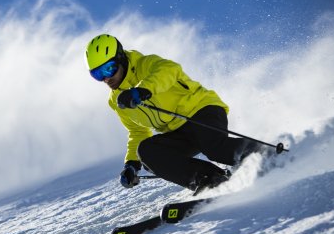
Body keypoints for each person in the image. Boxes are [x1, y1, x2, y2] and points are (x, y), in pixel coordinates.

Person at [85, 34, 259, 192]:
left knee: (215, 148)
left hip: (201, 110)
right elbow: (138, 131)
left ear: (120, 58)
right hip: (178, 132)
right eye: (97, 75)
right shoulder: (117, 101)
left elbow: (170, 70)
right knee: (147, 151)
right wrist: (131, 164)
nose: (106, 78)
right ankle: (210, 180)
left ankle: (260, 154)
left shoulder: (145, 64)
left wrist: (143, 89)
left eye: (108, 69)